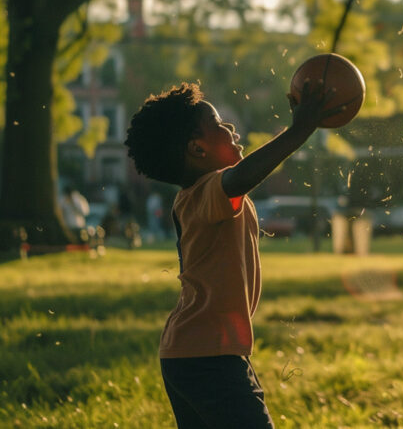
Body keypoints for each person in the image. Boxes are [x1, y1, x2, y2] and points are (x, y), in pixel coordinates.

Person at [124, 81, 341, 428]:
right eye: (221, 125)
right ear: (197, 148)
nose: (232, 129)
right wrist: (300, 129)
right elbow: (242, 177)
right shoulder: (207, 191)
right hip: (209, 357)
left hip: (193, 354)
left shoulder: (197, 197)